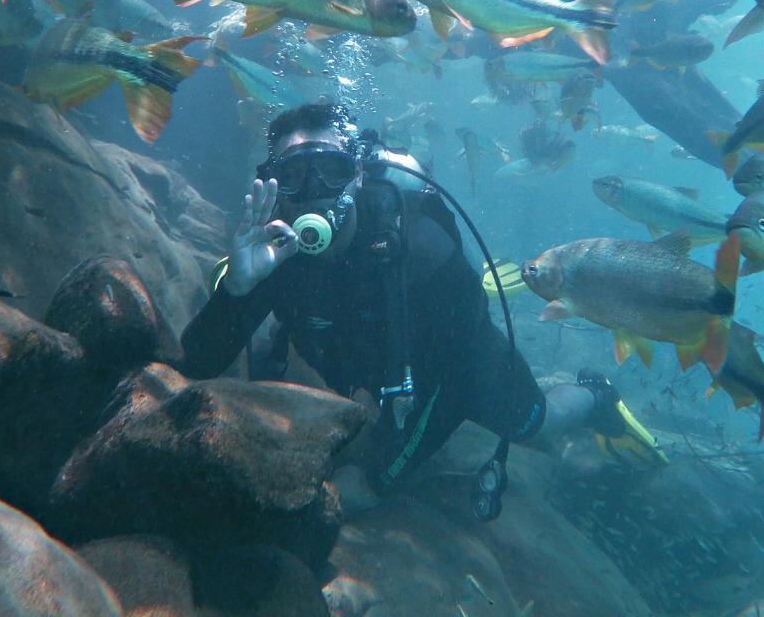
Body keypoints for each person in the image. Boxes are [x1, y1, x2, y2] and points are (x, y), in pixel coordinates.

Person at [180, 102, 642, 513]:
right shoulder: (276, 254)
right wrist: (237, 290)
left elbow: (457, 384)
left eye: (332, 170)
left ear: (357, 175)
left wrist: (383, 479)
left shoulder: (424, 252)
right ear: (273, 185)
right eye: (295, 175)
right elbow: (198, 363)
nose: (316, 190)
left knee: (538, 425)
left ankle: (595, 394)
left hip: (460, 364)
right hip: (361, 365)